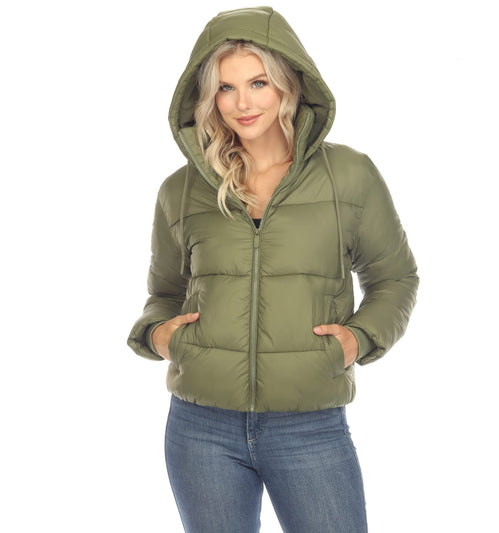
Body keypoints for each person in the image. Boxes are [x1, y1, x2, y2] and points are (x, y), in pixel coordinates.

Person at [127, 6, 419, 533]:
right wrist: (158, 334)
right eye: (225, 87)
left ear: (288, 83)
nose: (242, 103)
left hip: (309, 427)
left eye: (258, 82)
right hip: (200, 428)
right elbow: (165, 292)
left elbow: (395, 278)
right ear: (208, 96)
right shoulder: (182, 188)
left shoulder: (348, 175)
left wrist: (357, 341)